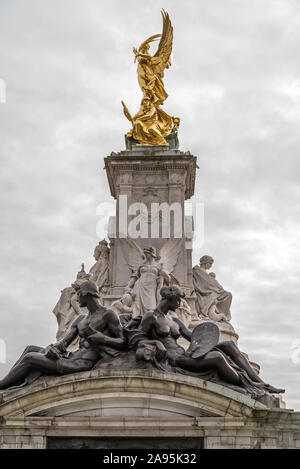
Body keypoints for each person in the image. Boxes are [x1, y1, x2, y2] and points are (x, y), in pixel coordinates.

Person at [140, 286, 284, 398]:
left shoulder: (175, 320)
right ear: (168, 298)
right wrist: (156, 344)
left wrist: (207, 339)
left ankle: (262, 383)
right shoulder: (151, 317)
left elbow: (192, 336)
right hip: (175, 359)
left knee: (229, 346)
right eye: (178, 300)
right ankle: (251, 385)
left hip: (185, 353)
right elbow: (136, 337)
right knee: (217, 357)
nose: (180, 304)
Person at [0, 281, 125, 390]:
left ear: (87, 293)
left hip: (81, 364)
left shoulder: (108, 315)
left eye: (79, 293)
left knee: (30, 357)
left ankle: (1, 385)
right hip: (70, 358)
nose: (77, 298)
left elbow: (123, 341)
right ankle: (7, 386)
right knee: (30, 348)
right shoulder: (80, 319)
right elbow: (63, 343)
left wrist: (103, 339)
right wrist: (52, 349)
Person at [193, 255, 232, 322]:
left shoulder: (205, 273)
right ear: (205, 262)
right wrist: (217, 288)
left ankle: (221, 315)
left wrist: (217, 287)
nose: (211, 265)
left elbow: (211, 283)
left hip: (211, 291)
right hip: (205, 292)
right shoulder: (197, 270)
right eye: (210, 263)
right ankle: (220, 315)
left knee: (228, 295)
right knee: (228, 295)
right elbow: (206, 284)